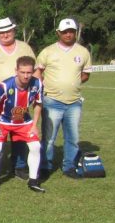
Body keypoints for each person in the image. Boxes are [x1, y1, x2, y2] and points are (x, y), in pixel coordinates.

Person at [35, 18, 92, 178]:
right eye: (65, 32)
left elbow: (85, 74)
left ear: (75, 32)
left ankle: (69, 166)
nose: (68, 34)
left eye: (71, 31)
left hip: (74, 102)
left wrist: (72, 83)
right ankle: (45, 166)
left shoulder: (83, 52)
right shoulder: (48, 51)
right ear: (58, 33)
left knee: (72, 137)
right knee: (49, 138)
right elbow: (38, 73)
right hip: (52, 100)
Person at [0, 17, 35, 179]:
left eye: (8, 31)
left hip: (20, 101)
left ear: (13, 31)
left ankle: (19, 166)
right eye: (1, 32)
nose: (5, 35)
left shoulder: (25, 48)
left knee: (19, 136)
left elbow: (35, 70)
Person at [0, 56, 45, 193]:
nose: (26, 76)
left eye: (29, 72)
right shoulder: (5, 86)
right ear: (16, 70)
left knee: (36, 146)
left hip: (24, 122)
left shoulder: (37, 83)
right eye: (22, 72)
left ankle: (33, 181)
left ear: (33, 72)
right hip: (3, 121)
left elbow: (38, 104)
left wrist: (34, 125)